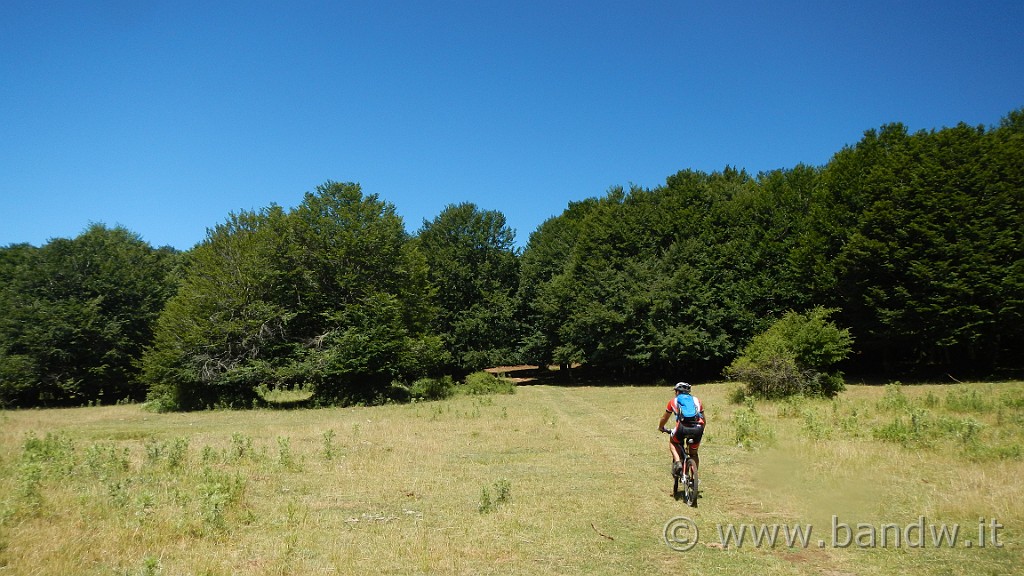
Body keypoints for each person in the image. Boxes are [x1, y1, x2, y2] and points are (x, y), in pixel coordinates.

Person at [658, 381, 705, 477]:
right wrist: (700, 431)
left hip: (682, 428)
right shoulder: (697, 400)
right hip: (698, 428)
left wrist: (661, 427)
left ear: (677, 392)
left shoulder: (673, 401)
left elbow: (664, 418)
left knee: (673, 442)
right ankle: (693, 477)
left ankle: (678, 462)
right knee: (694, 454)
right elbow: (704, 419)